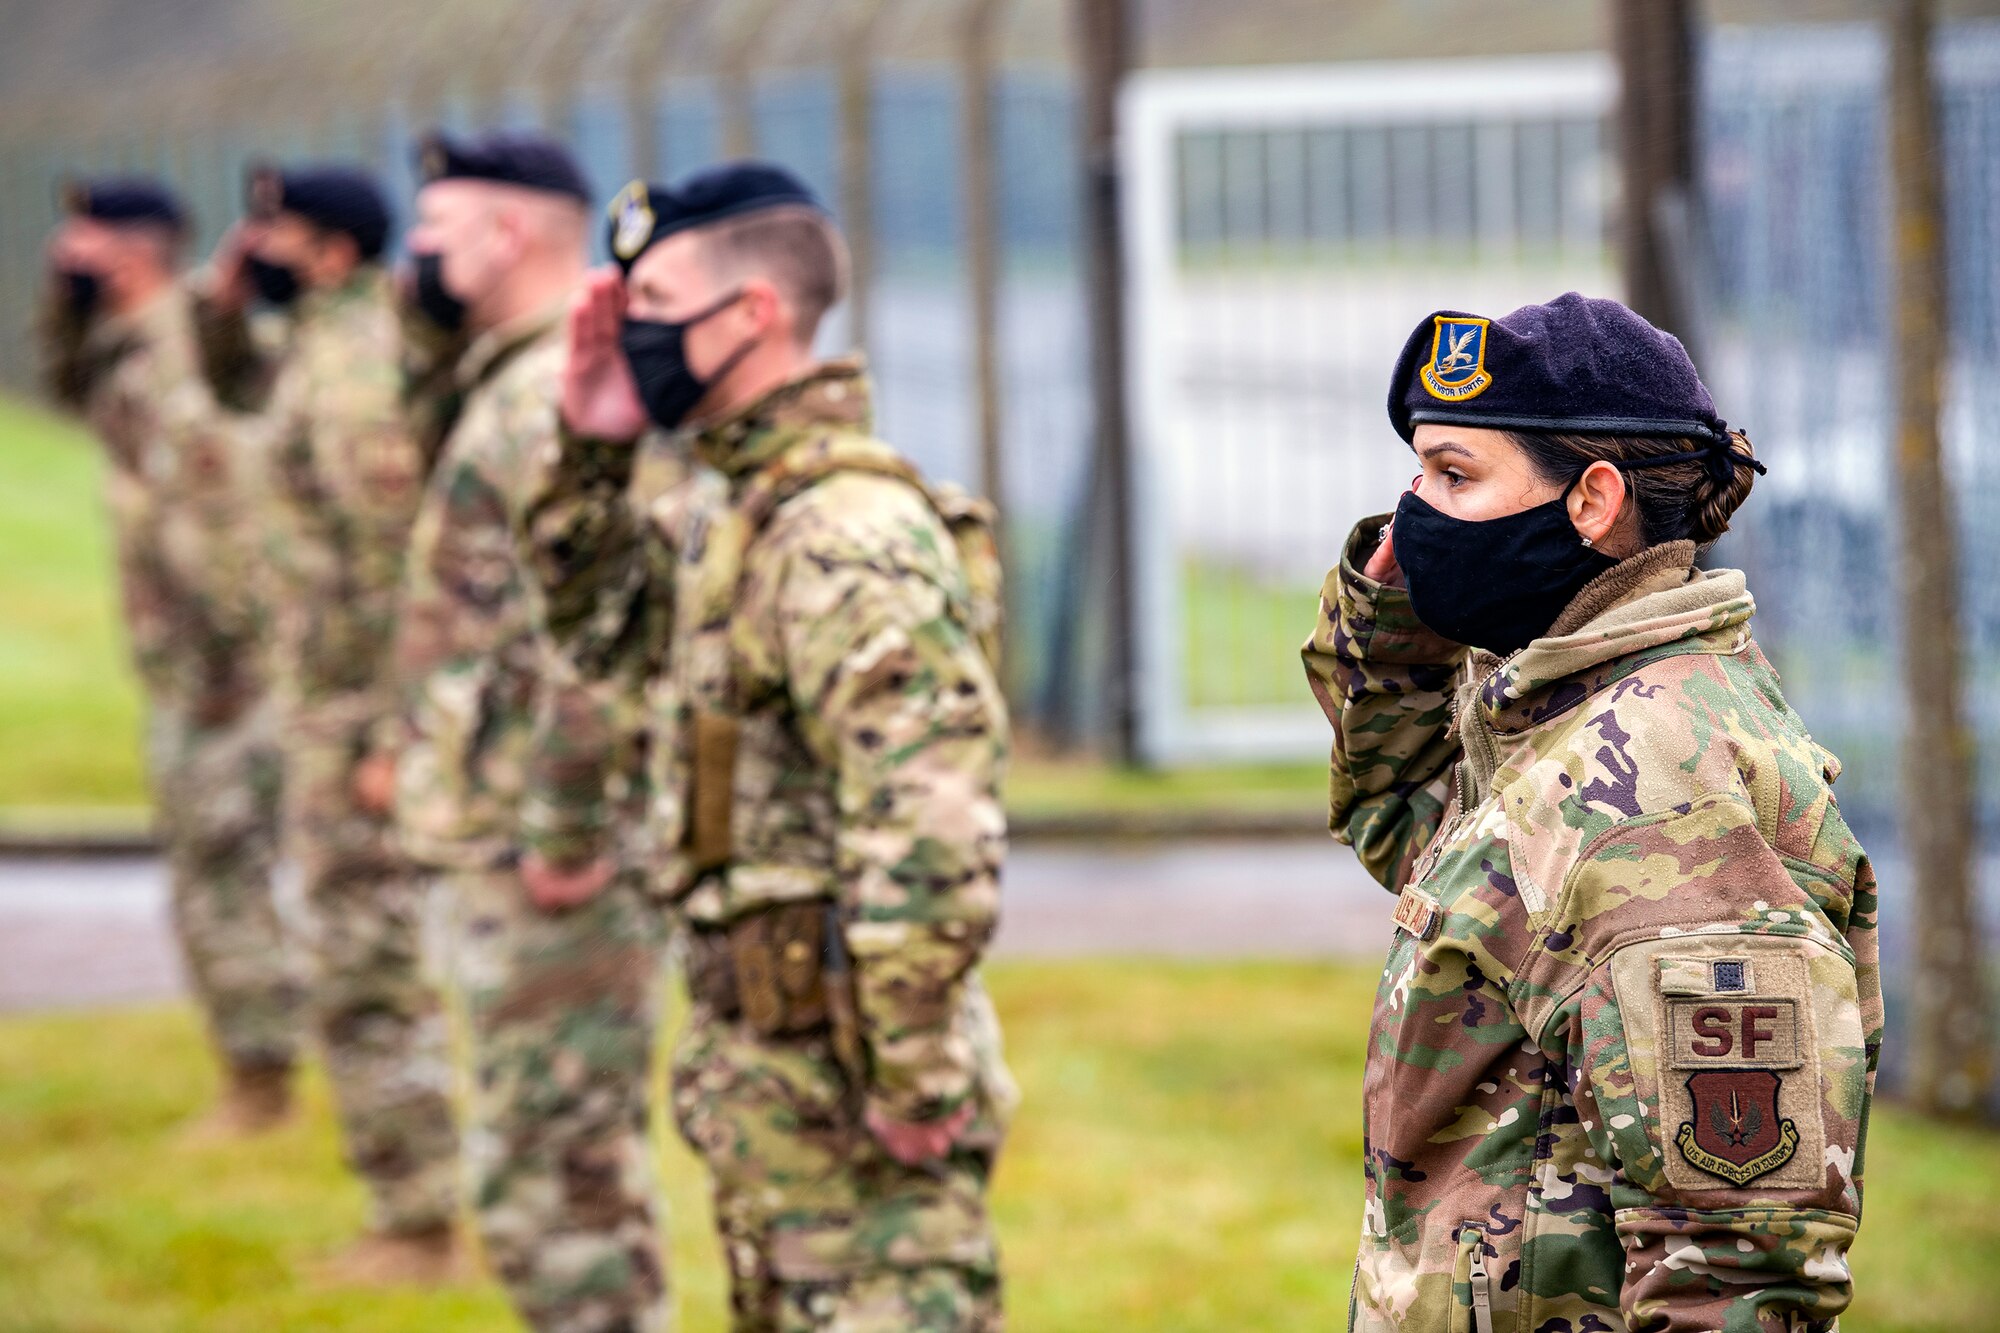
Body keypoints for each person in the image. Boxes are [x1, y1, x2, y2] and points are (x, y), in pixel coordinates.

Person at [1302, 293, 1880, 1332]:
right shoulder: (1566, 722)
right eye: (1415, 474)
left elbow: (1739, 1268)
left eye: (1452, 476)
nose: (1411, 515)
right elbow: (1414, 831)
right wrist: (1390, 634)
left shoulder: (1658, 789)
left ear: (1590, 500)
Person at [540, 162, 1018, 1332]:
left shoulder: (841, 533)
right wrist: (591, 445)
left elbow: (928, 818)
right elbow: (599, 630)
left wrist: (910, 1073)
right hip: (771, 1080)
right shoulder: (736, 505)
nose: (625, 326)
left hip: (845, 1079)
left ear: (750, 313)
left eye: (648, 300)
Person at [388, 129, 673, 1332]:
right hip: (508, 825)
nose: (413, 255)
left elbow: (604, 625)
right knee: (537, 1172)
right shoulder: (513, 377)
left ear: (508, 235)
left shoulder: (557, 395)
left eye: (436, 231)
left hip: (552, 851)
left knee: (556, 1184)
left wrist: (562, 824)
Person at [198, 163, 462, 1281]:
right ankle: (402, 1207)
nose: (256, 243)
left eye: (279, 230)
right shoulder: (316, 341)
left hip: (356, 712)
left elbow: (393, 565)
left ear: (335, 252)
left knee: (364, 960)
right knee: (347, 948)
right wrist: (222, 304)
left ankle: (417, 1224)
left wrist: (386, 734)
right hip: (326, 703)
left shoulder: (356, 367)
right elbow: (237, 392)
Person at [37, 178, 305, 1137]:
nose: (62, 247)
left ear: (133, 246)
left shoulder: (183, 343)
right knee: (209, 867)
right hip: (185, 662)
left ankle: (262, 1081)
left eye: (84, 233)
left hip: (219, 671)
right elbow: (65, 378)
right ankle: (254, 1067)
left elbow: (215, 508)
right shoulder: (128, 337)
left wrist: (231, 662)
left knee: (224, 867)